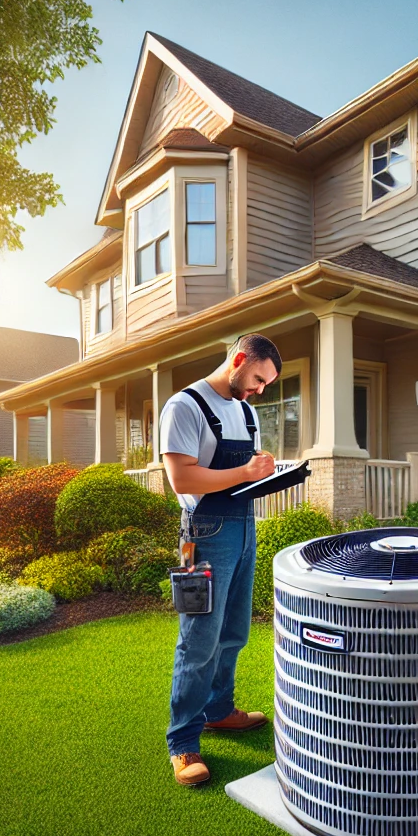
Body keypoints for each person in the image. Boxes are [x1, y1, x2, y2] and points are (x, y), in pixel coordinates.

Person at [159, 333, 281, 786]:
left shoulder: (245, 411)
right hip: (203, 534)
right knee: (198, 639)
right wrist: (246, 471)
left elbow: (238, 475)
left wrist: (265, 473)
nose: (259, 390)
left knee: (233, 632)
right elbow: (182, 476)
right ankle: (183, 742)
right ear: (239, 359)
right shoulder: (185, 406)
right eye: (257, 378)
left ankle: (219, 711)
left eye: (266, 384)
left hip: (244, 527)